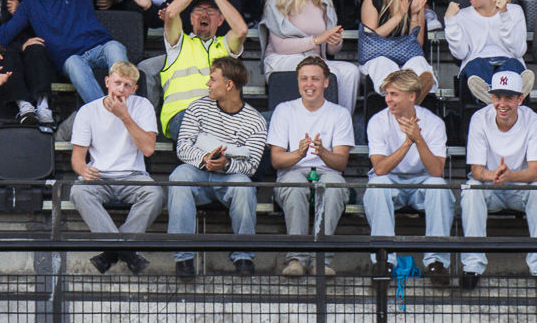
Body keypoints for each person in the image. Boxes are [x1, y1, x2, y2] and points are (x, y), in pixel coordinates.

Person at [166, 54, 264, 279]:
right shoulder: (198, 107)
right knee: (179, 176)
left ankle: (243, 256)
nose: (207, 84)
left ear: (229, 85)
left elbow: (252, 165)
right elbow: (182, 147)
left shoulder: (255, 120)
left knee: (244, 186)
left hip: (228, 178)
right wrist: (204, 159)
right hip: (197, 172)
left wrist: (226, 163)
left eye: (213, 79)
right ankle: (183, 258)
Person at [459, 68, 537, 290]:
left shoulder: (534, 120)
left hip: (519, 185)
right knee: (471, 190)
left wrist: (509, 175)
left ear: (520, 99)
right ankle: (472, 266)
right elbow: (476, 170)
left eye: (509, 97)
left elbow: (535, 173)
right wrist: (493, 175)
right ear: (491, 97)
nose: (502, 103)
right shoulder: (479, 118)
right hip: (489, 185)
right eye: (497, 97)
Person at [69, 59, 161, 275]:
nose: (121, 89)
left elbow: (148, 149)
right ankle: (126, 250)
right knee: (78, 191)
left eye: (127, 85)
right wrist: (83, 170)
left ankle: (111, 252)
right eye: (118, 83)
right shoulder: (88, 111)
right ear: (107, 82)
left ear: (134, 89)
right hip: (99, 175)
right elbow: (77, 158)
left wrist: (124, 116)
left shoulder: (142, 106)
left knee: (155, 195)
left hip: (134, 175)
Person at [362, 67, 455, 282]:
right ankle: (383, 260)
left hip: (422, 179)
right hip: (391, 178)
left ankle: (436, 262)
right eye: (387, 94)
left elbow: (437, 171)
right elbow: (380, 169)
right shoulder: (377, 121)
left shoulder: (433, 123)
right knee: (378, 185)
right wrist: (407, 142)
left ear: (412, 96)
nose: (388, 100)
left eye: (394, 94)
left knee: (439, 187)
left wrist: (419, 139)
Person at [266, 53, 354, 276]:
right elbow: (276, 160)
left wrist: (323, 152)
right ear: (298, 82)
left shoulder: (340, 114)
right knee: (295, 185)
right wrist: (299, 153)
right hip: (292, 171)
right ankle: (296, 259)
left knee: (333, 185)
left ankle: (320, 259)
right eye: (304, 79)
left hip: (328, 171)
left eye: (315, 79)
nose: (309, 84)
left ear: (325, 82)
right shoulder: (284, 110)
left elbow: (341, 162)